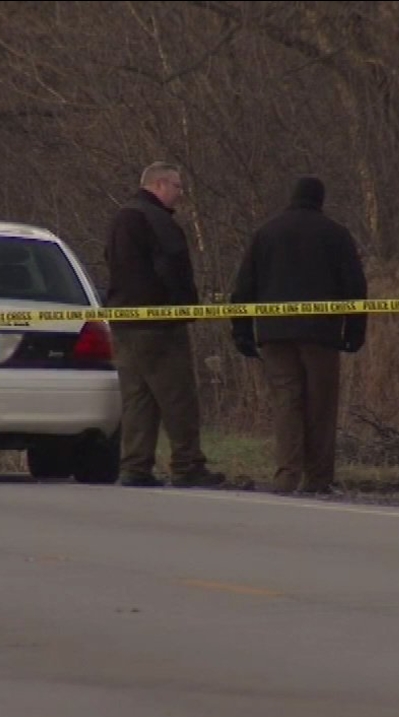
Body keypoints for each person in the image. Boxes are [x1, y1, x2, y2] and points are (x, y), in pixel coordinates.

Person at [229, 176, 368, 495]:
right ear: (321, 200)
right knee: (320, 405)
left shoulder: (266, 233)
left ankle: (286, 475)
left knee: (286, 402)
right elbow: (355, 286)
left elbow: (243, 286)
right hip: (321, 334)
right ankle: (318, 479)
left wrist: (242, 330)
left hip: (275, 333)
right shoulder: (335, 234)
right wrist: (355, 329)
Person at [104, 161, 225, 488]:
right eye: (177, 187)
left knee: (137, 397)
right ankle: (187, 465)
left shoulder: (120, 218)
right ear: (158, 185)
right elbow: (173, 269)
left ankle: (134, 465)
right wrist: (186, 308)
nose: (180, 194)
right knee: (177, 396)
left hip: (123, 320)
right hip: (158, 323)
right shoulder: (156, 220)